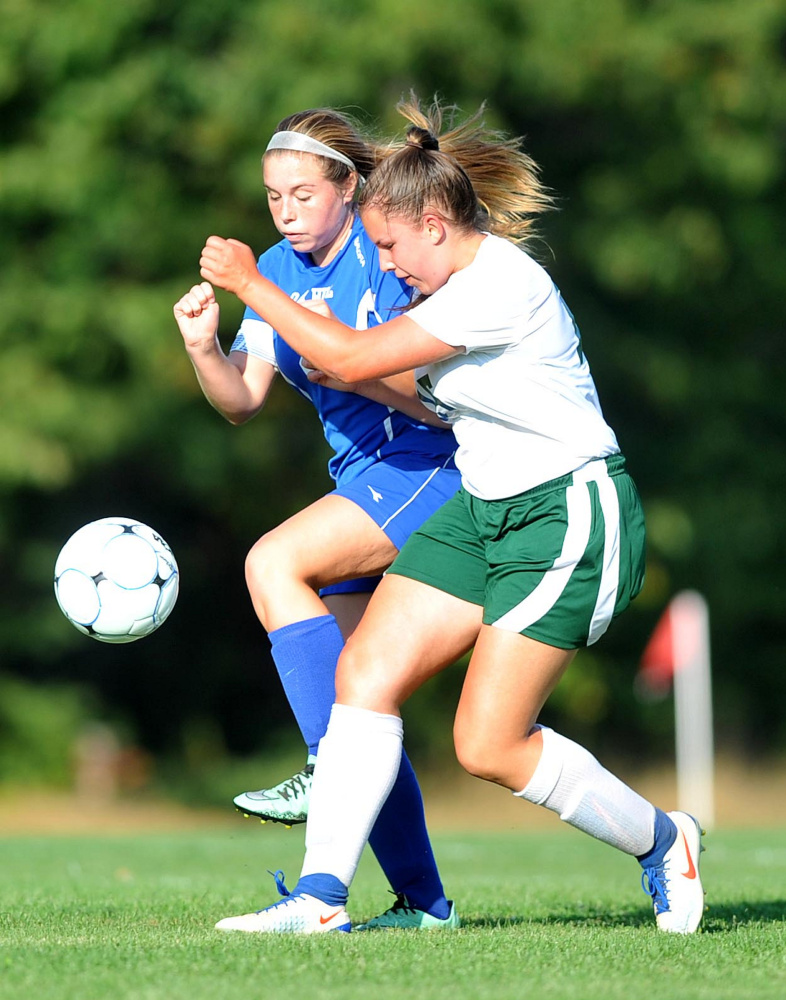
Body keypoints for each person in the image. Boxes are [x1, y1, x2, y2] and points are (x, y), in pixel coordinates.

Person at [196, 95, 706, 936]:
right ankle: (320, 902)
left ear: (435, 225)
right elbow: (359, 371)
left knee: (486, 745)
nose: (386, 266)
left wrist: (252, 285)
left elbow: (351, 356)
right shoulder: (440, 285)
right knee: (363, 677)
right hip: (483, 508)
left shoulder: (497, 284)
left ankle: (661, 841)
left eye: (392, 246)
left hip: (566, 514)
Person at [173, 108, 463, 931]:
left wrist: (286, 314)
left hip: (430, 468)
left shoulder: (388, 252)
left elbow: (430, 399)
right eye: (273, 198)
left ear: (349, 187)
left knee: (271, 563)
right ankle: (424, 904)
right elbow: (242, 399)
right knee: (360, 700)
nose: (287, 211)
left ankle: (319, 767)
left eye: (304, 192)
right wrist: (203, 347)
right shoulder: (274, 267)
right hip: (364, 476)